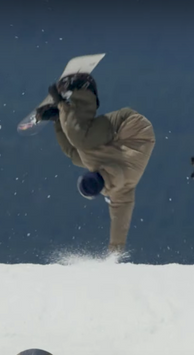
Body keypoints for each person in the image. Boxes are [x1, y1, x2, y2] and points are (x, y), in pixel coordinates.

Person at [35, 73, 155, 255]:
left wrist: (115, 254)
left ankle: (59, 119)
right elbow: (79, 140)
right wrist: (60, 103)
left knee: (74, 154)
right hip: (132, 128)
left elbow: (120, 224)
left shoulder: (121, 191)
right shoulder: (115, 183)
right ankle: (83, 89)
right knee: (81, 140)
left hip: (116, 142)